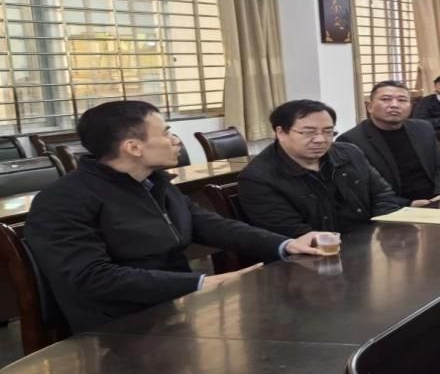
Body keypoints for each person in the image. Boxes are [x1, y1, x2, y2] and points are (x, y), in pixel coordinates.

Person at [24, 101, 329, 333]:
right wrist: (201, 282)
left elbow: (208, 224)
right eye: (166, 133)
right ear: (133, 147)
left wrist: (285, 244)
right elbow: (92, 278)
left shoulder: (153, 182)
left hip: (174, 309)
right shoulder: (63, 201)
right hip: (118, 327)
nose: (176, 141)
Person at [239, 100, 423, 237]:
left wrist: (385, 230)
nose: (320, 139)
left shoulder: (349, 153)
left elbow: (382, 195)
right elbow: (291, 232)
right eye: (309, 132)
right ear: (280, 132)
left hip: (368, 242)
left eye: (328, 132)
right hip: (312, 258)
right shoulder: (259, 178)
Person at [338, 80, 440, 204]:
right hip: (391, 207)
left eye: (402, 100)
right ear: (369, 106)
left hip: (435, 200)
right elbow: (361, 188)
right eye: (386, 99)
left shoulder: (423, 128)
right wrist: (408, 204)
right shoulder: (351, 141)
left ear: (411, 107)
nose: (394, 105)